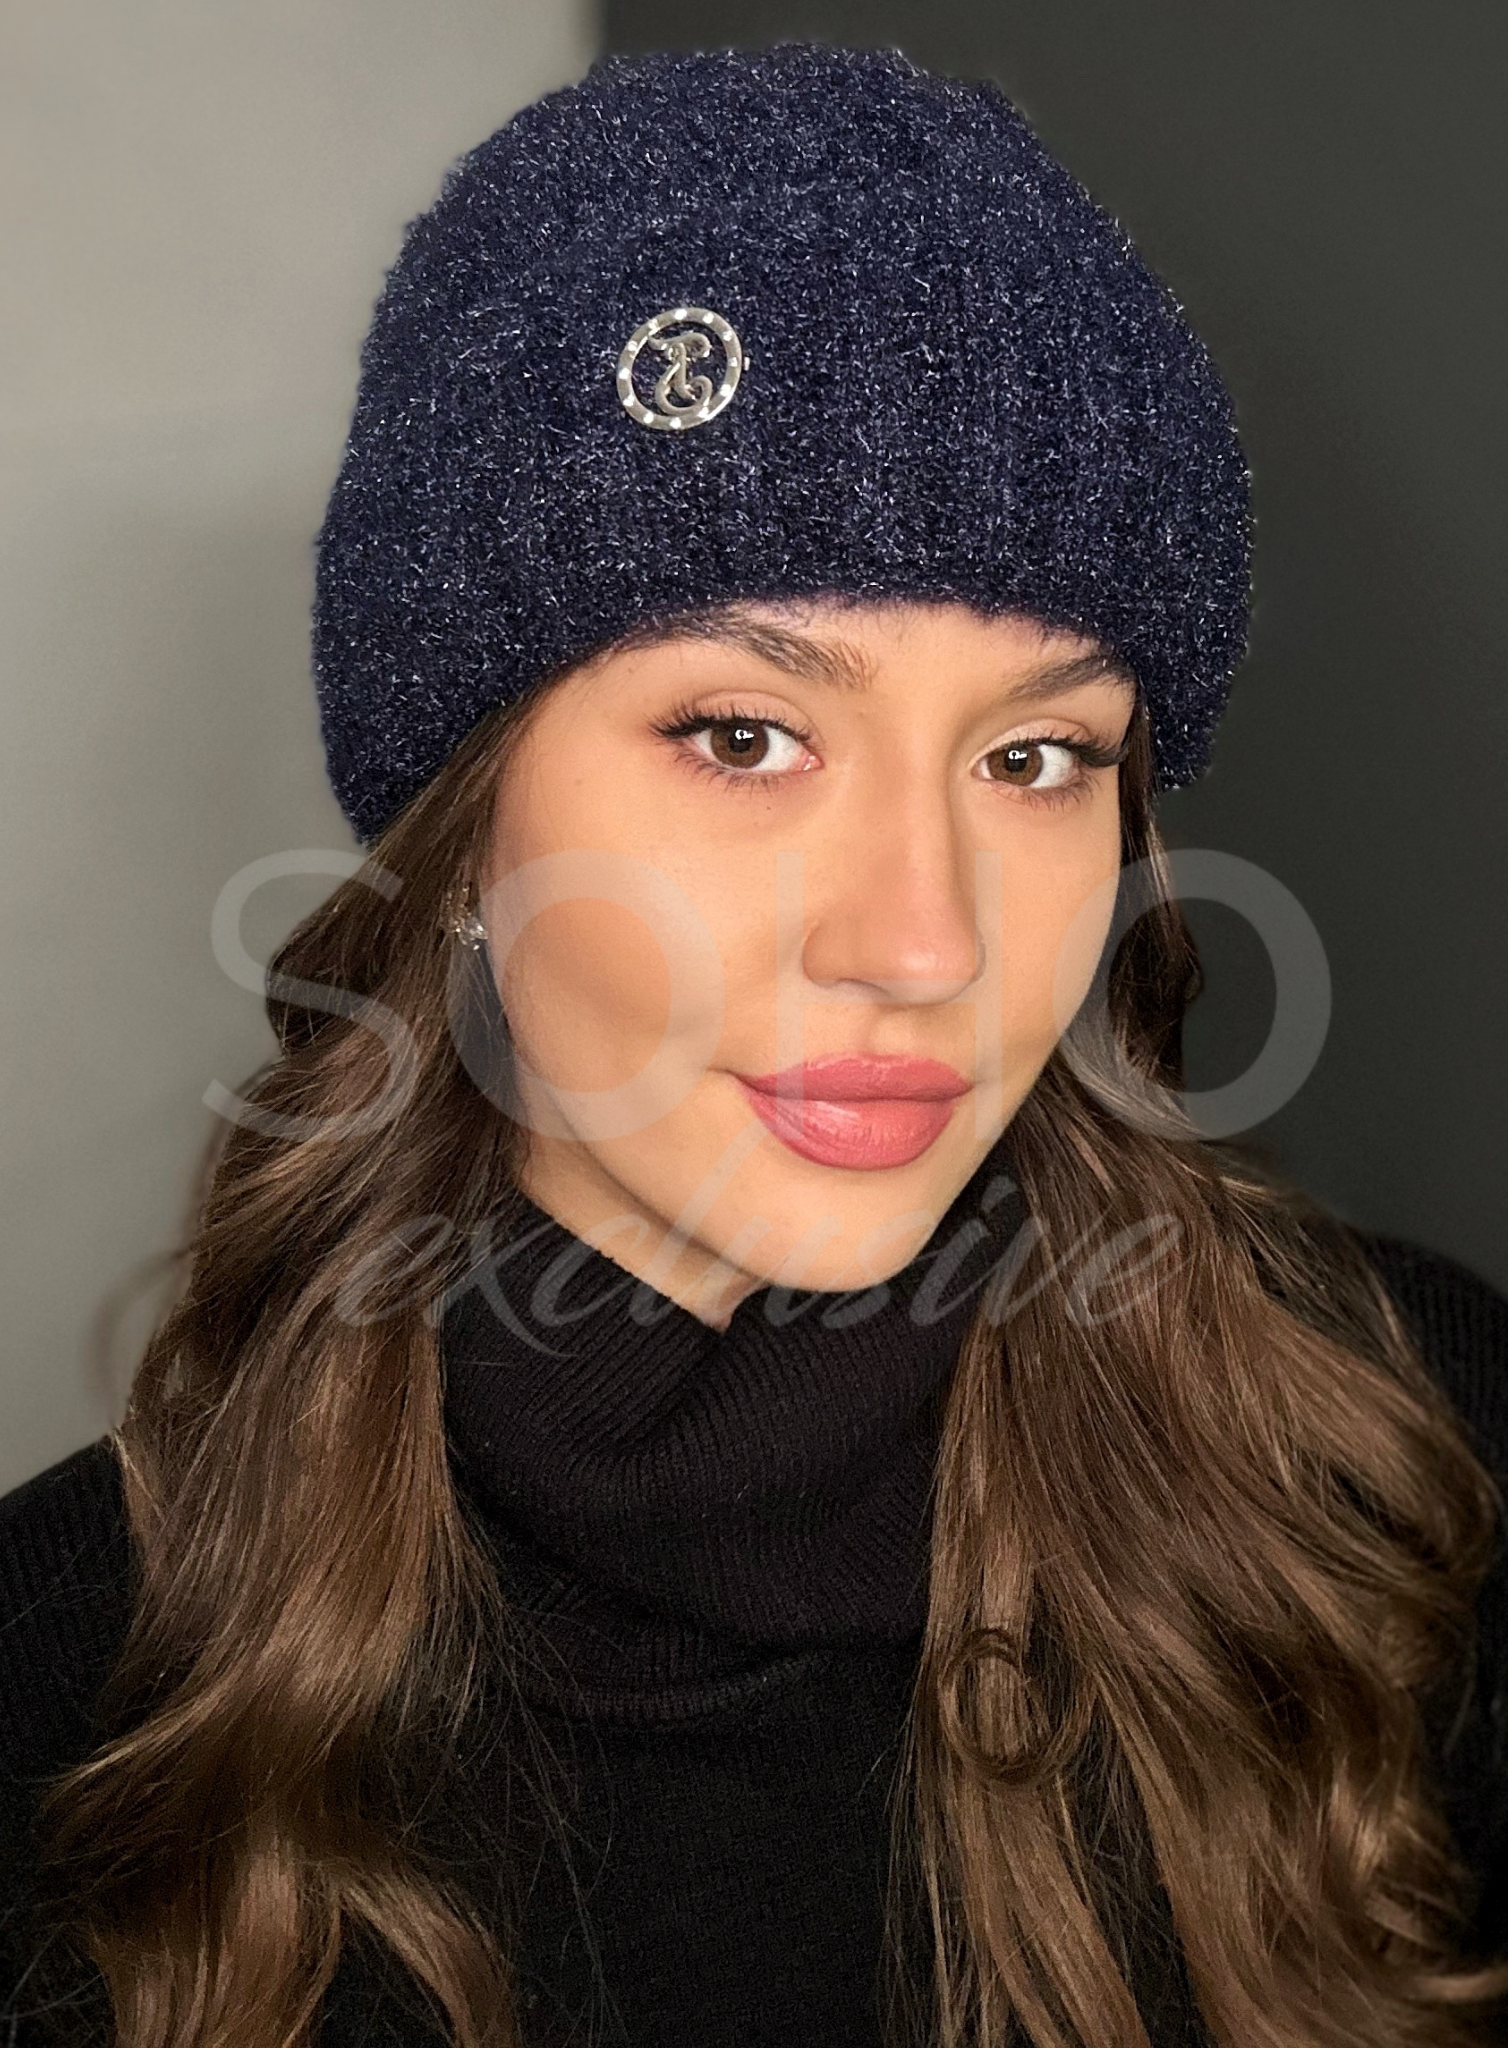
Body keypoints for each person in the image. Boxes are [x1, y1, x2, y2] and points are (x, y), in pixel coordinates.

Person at [1, 40, 1505, 2048]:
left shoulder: (1401, 1487)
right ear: (462, 829)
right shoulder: (71, 1691)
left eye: (1036, 757)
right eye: (743, 734)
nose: (922, 942)